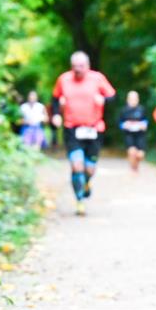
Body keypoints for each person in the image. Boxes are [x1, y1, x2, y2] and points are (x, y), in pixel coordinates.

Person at [51, 51, 117, 216]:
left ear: (87, 66)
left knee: (89, 169)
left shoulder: (97, 78)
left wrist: (104, 100)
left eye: (81, 66)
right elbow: (54, 98)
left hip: (94, 129)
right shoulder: (64, 79)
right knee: (77, 166)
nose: (77, 70)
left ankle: (86, 183)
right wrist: (57, 114)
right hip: (72, 128)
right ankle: (79, 200)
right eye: (74, 66)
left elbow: (113, 96)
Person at [118, 90, 149, 173]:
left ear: (138, 99)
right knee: (132, 152)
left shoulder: (142, 109)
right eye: (131, 99)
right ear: (127, 99)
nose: (133, 100)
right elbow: (119, 123)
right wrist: (124, 125)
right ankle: (132, 169)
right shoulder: (123, 110)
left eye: (135, 99)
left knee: (140, 155)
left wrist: (143, 125)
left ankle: (136, 166)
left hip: (140, 135)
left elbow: (146, 121)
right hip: (129, 134)